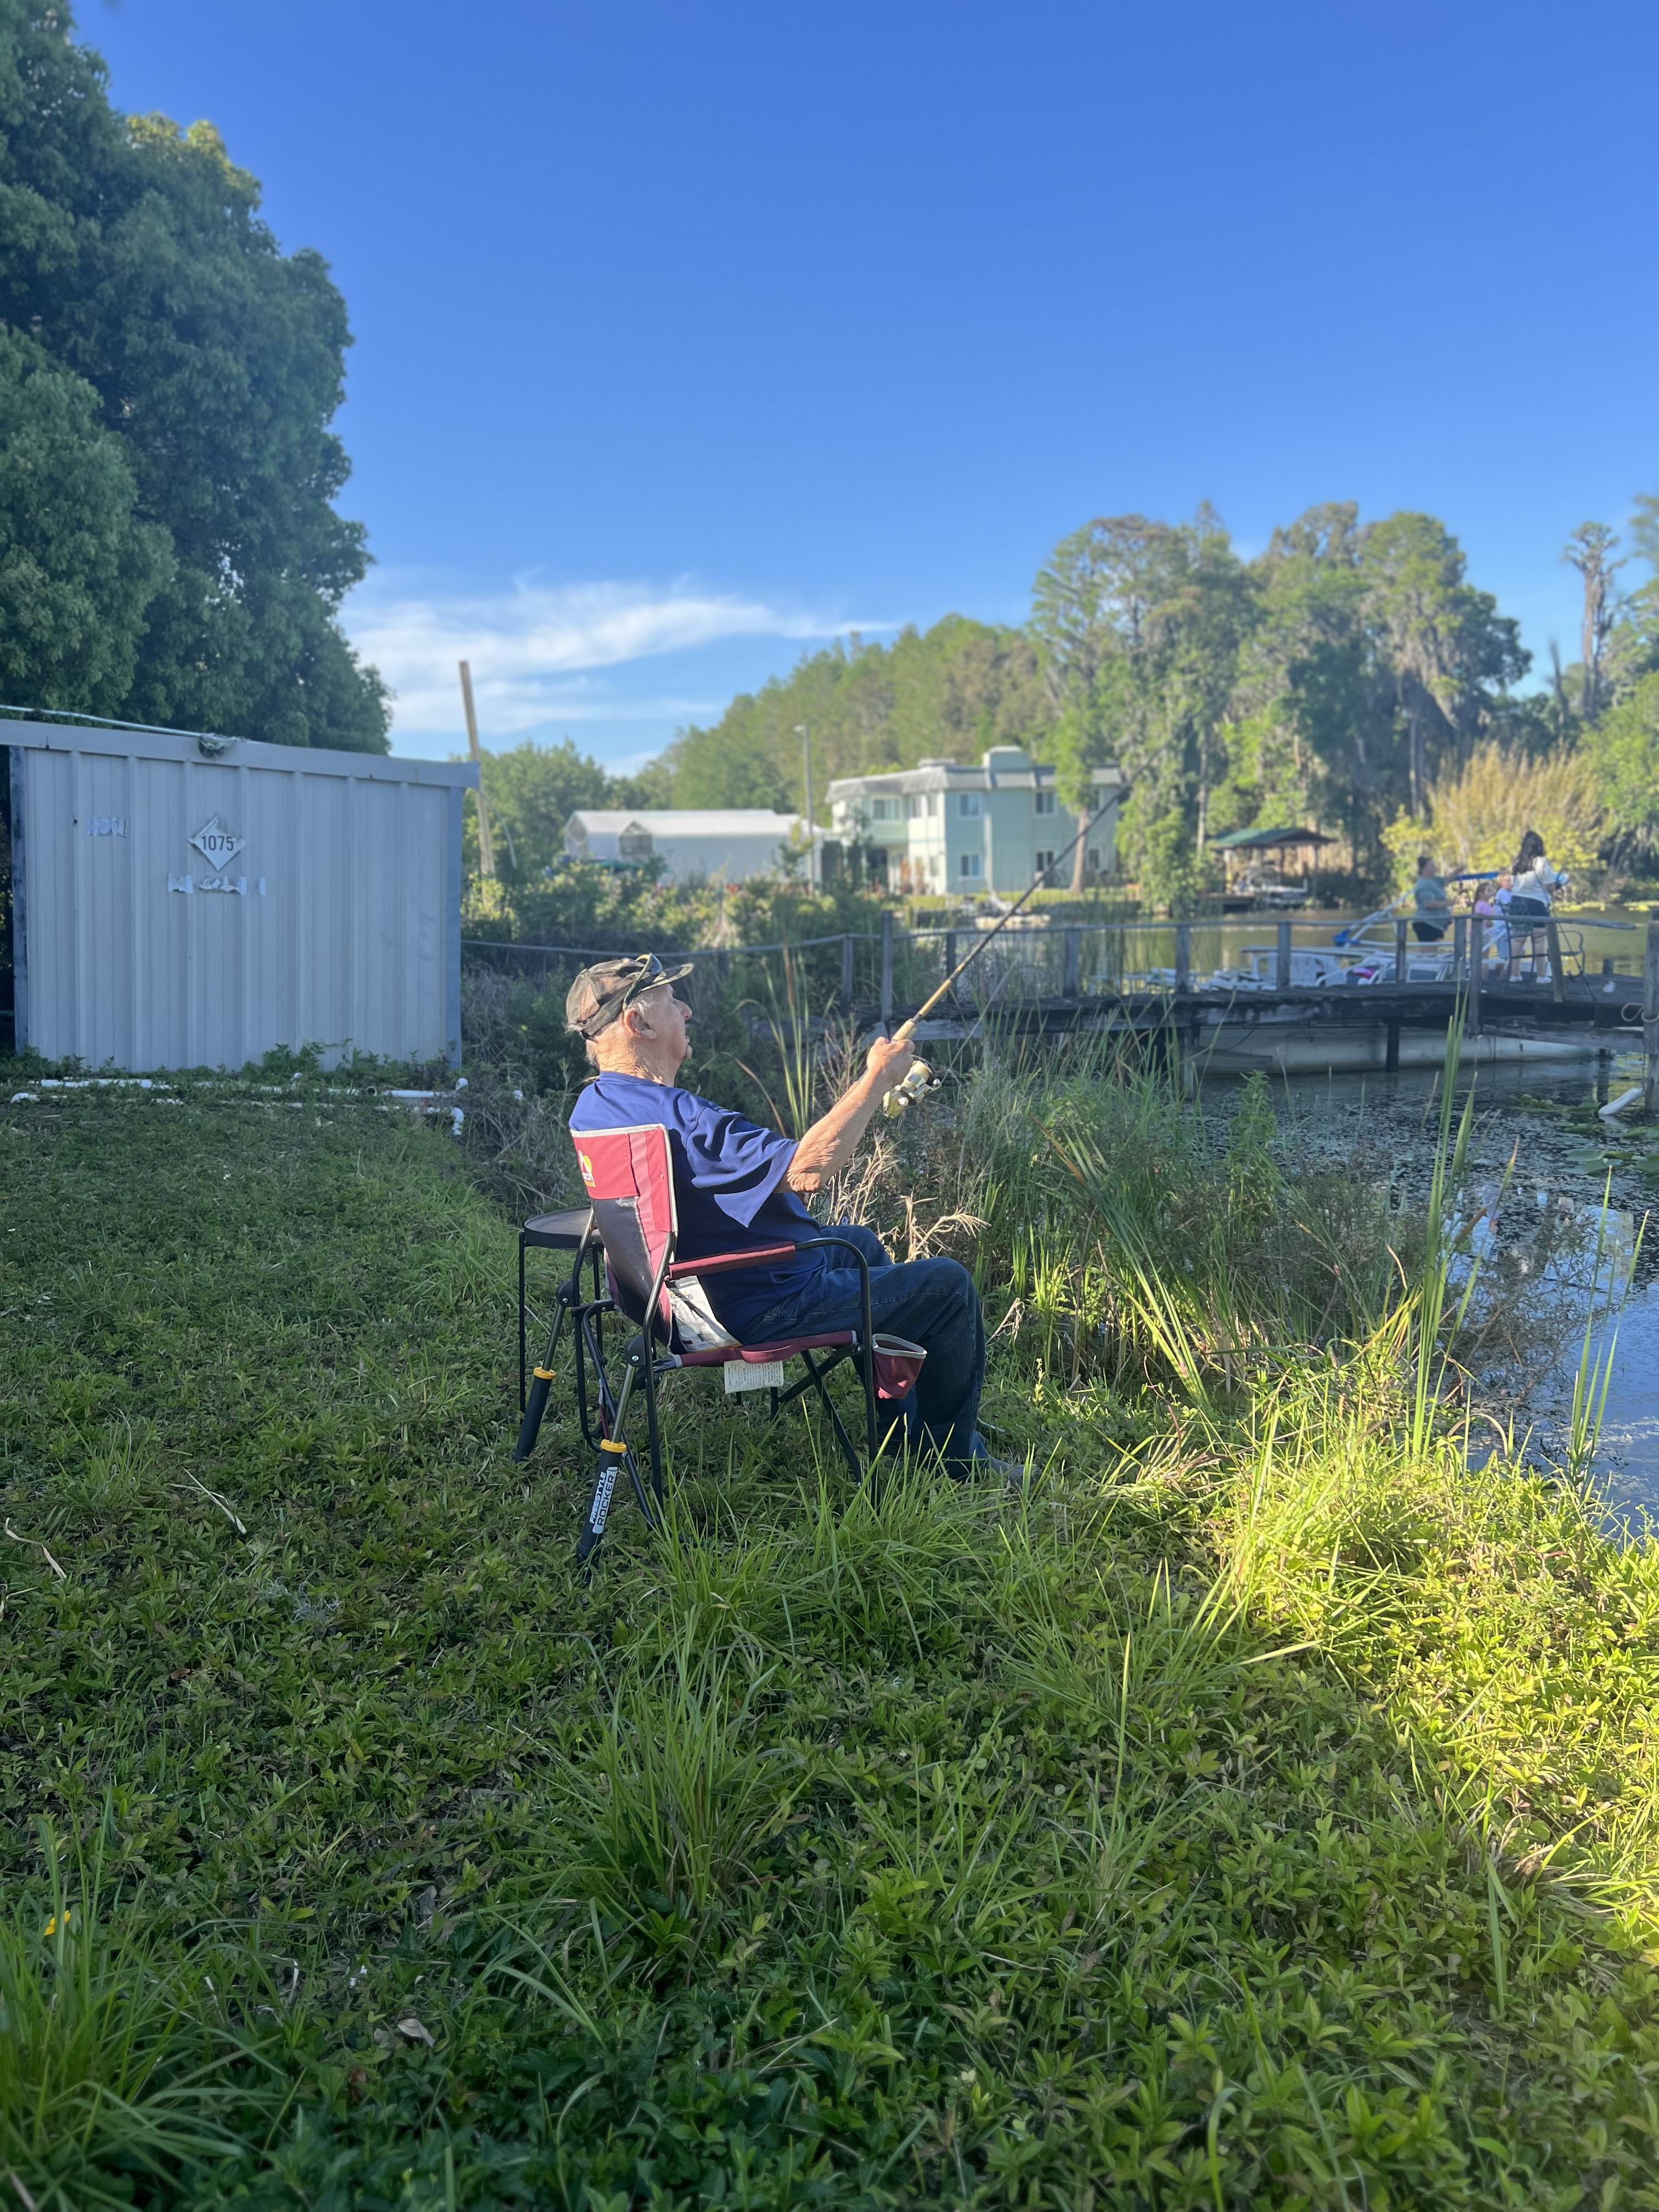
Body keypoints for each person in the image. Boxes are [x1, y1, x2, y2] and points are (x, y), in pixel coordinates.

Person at [564, 953, 1022, 1482]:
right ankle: (955, 1459)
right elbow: (808, 1170)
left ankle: (905, 1429)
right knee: (949, 1287)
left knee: (859, 1243)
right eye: (673, 1002)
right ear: (638, 1024)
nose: (686, 1011)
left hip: (672, 1301)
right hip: (758, 1307)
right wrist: (877, 1078)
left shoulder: (595, 1107)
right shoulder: (686, 1123)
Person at [1504, 830, 1567, 981]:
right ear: (1539, 846)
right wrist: (1556, 889)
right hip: (1536, 904)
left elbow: (1513, 885)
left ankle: (1514, 975)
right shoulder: (1541, 862)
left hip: (1516, 903)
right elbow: (1550, 887)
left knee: (1518, 940)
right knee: (1539, 941)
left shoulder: (1517, 863)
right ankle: (1541, 975)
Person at [1411, 854, 1451, 943]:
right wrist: (1449, 903)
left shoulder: (1435, 881)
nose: (1434, 868)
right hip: (1427, 924)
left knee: (1432, 948)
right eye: (1431, 866)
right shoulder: (1423, 884)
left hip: (1436, 924)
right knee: (1428, 949)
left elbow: (1447, 880)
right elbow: (1429, 904)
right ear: (1423, 869)